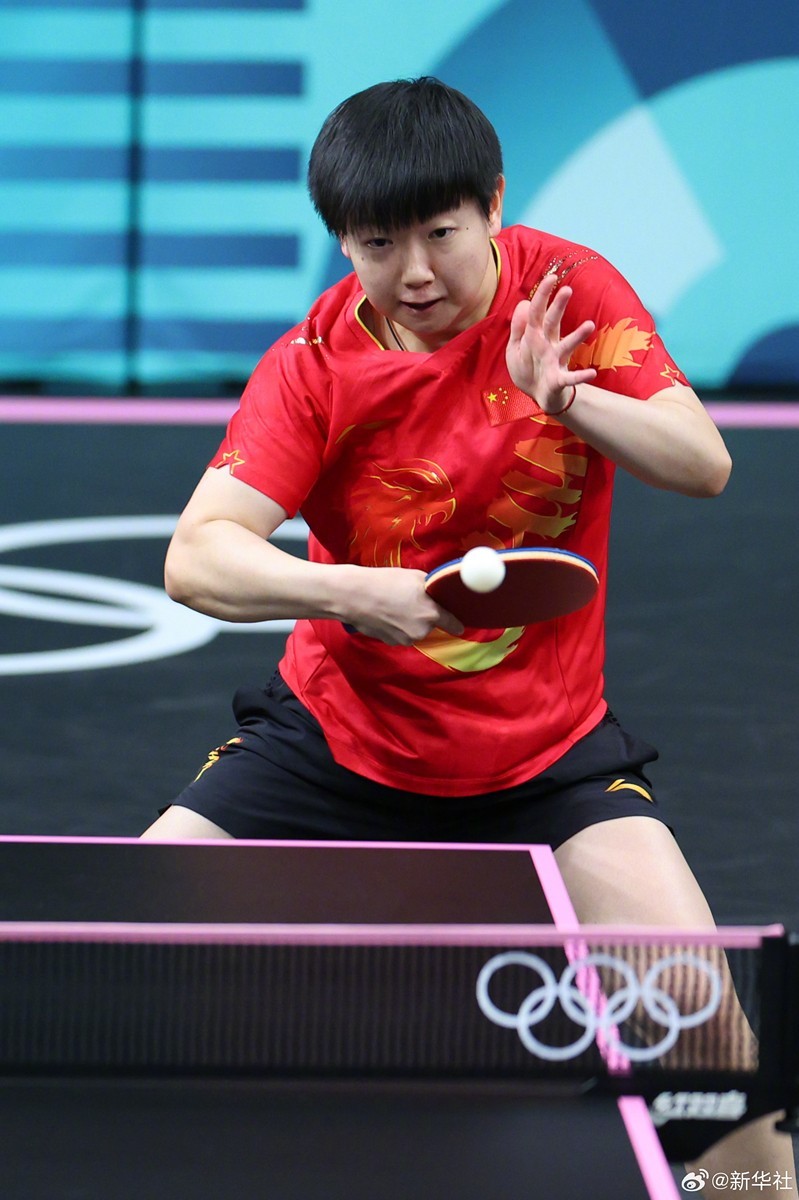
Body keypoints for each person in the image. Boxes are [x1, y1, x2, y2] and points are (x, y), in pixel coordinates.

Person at [142, 78, 795, 1191]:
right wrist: (358, 594)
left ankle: (755, 1192)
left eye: (440, 234)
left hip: (542, 757)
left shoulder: (567, 295)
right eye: (377, 244)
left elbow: (704, 463)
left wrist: (568, 398)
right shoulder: (313, 367)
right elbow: (195, 557)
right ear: (341, 241)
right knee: (113, 943)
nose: (414, 273)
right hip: (335, 745)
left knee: (696, 1007)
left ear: (493, 203)